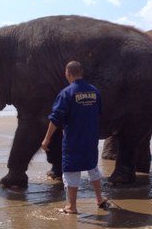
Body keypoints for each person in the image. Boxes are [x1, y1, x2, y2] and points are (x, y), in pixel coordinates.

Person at [41, 60, 109, 214]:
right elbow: (99, 112)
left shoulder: (67, 93)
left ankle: (72, 207)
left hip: (73, 138)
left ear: (68, 73)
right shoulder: (94, 91)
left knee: (71, 171)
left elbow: (55, 118)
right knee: (92, 167)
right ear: (81, 73)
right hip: (91, 138)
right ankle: (99, 198)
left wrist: (47, 139)